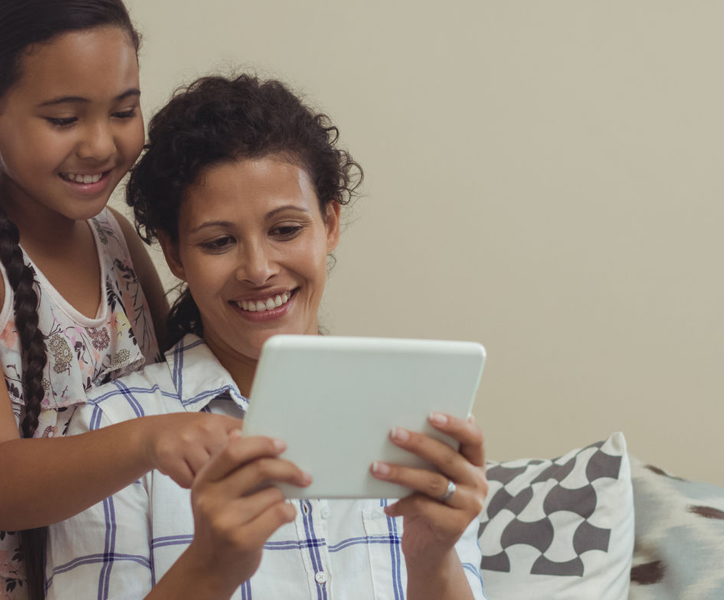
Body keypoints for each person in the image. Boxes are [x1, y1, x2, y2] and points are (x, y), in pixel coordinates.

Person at [45, 74, 490, 600]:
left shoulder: (416, 412)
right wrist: (210, 566)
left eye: (285, 230)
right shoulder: (113, 427)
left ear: (329, 223)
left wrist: (433, 561)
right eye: (219, 242)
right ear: (174, 254)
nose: (258, 269)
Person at [0, 2, 239, 598]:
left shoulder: (116, 238)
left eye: (125, 111)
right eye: (64, 119)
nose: (102, 145)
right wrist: (152, 439)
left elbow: (180, 378)